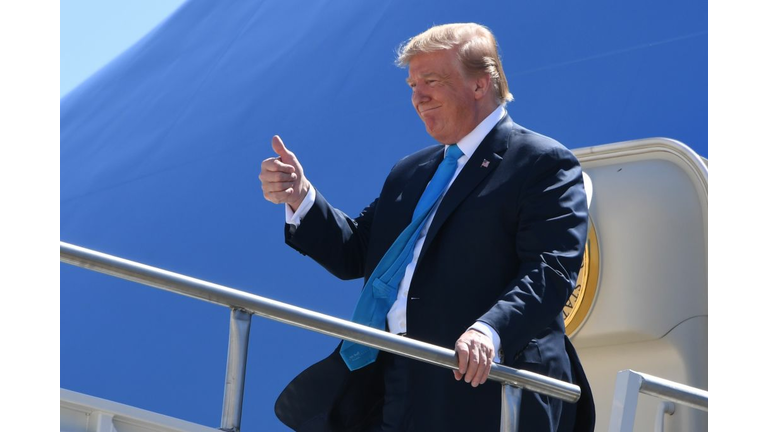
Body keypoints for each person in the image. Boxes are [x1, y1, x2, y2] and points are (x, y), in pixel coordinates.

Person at [259, 23, 595, 432]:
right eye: (412, 84)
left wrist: (490, 331)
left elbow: (551, 269)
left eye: (431, 81)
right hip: (396, 380)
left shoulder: (541, 162)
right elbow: (357, 253)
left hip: (484, 382)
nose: (417, 97)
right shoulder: (412, 172)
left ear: (480, 84)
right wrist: (300, 197)